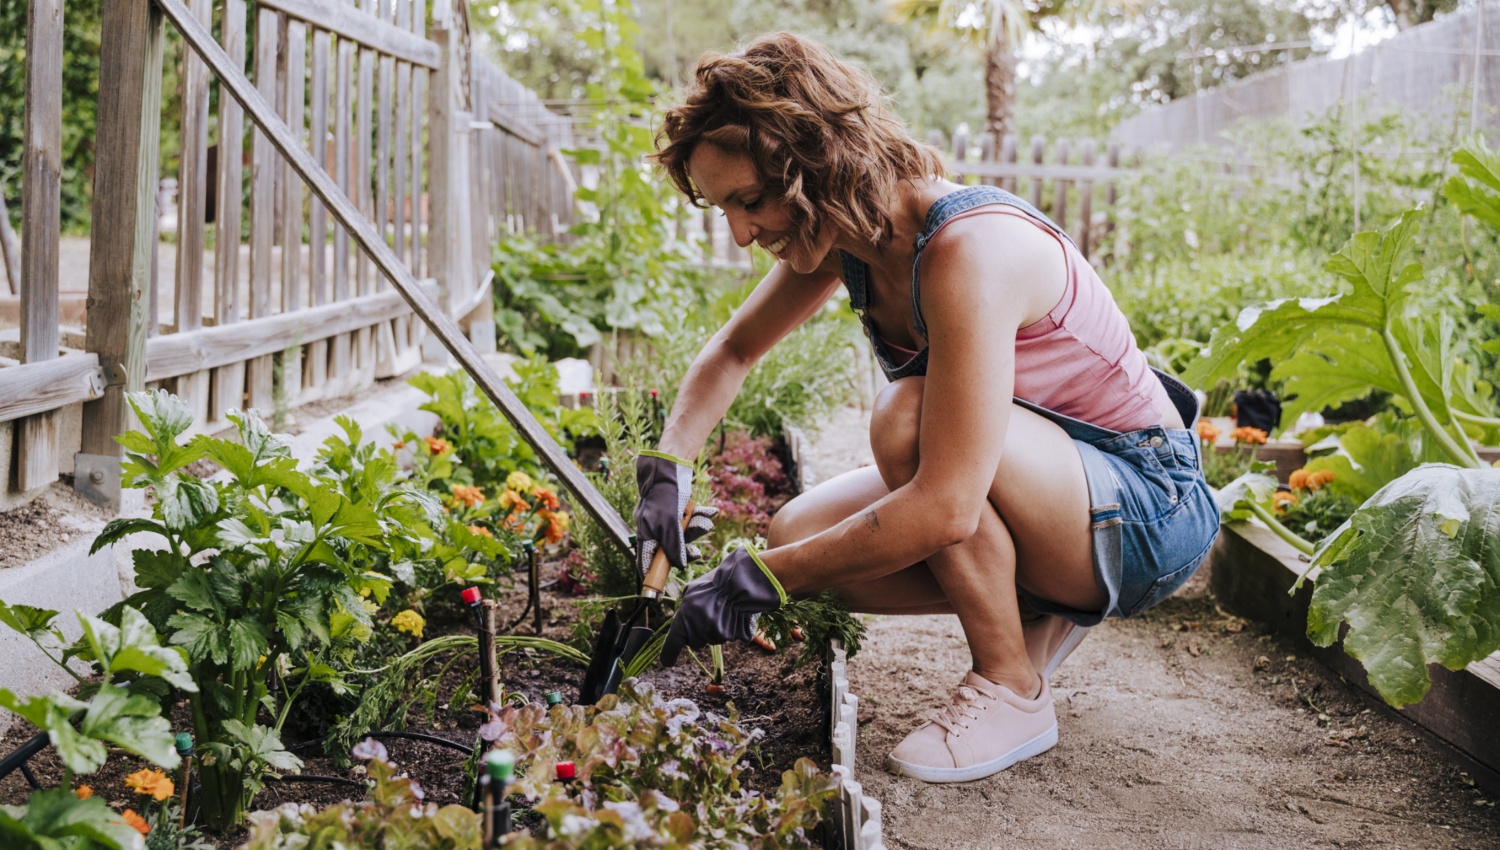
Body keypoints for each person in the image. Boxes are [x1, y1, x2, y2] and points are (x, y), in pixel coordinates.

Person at [635, 32, 1220, 784]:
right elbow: (734, 352)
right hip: (1055, 494)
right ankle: (1041, 610)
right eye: (725, 210)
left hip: (1147, 507)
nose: (742, 233)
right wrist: (668, 465)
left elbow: (945, 507)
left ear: (819, 160)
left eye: (749, 201)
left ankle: (1012, 686)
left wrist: (758, 580)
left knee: (904, 422)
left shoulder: (967, 249)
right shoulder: (853, 239)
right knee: (800, 531)